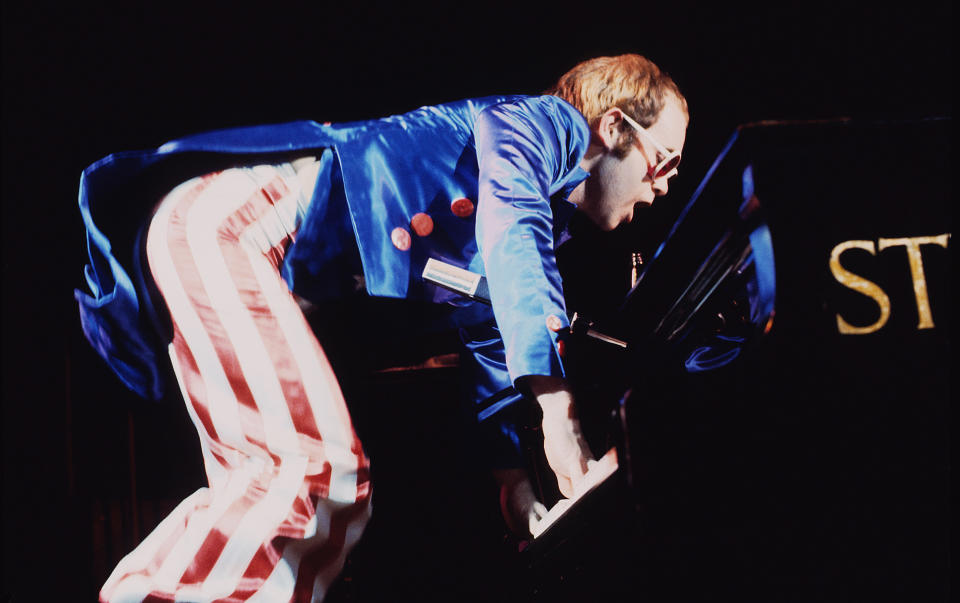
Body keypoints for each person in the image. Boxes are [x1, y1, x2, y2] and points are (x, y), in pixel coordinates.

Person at [75, 53, 688, 602]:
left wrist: (516, 487)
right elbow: (514, 228)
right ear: (612, 129)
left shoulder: (528, 220)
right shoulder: (543, 126)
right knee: (314, 473)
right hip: (226, 228)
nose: (665, 186)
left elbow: (489, 336)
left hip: (222, 240)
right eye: (665, 161)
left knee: (290, 483)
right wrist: (559, 411)